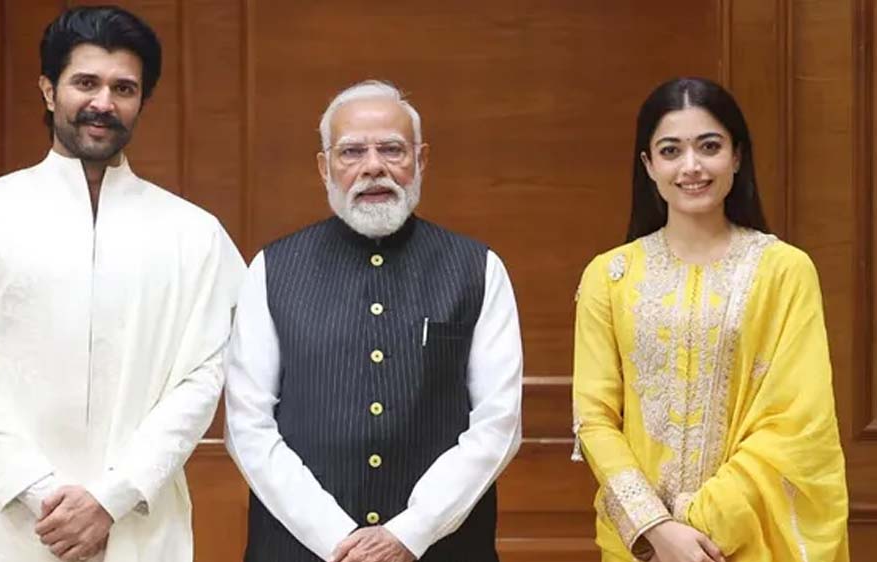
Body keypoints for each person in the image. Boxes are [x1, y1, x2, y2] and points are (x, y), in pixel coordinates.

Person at [0, 6, 245, 561]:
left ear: (142, 101)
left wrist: (110, 500)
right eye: (86, 83)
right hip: (10, 527)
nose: (104, 102)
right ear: (49, 91)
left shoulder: (195, 234)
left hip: (138, 526)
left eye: (124, 88)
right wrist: (47, 498)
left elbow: (202, 380)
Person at [224, 80, 523, 562]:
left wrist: (409, 532)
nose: (373, 166)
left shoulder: (478, 268)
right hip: (300, 549)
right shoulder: (271, 269)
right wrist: (339, 541)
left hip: (441, 549)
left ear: (421, 161)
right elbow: (248, 427)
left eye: (392, 149)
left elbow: (499, 423)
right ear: (324, 167)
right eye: (351, 152)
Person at [571, 77, 850, 562]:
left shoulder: (784, 270)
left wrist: (699, 528)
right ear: (648, 165)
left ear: (736, 157)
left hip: (749, 538)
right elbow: (594, 419)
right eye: (671, 151)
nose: (691, 166)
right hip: (642, 546)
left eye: (709, 146)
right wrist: (657, 529)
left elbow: (796, 421)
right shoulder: (609, 276)